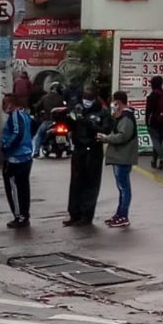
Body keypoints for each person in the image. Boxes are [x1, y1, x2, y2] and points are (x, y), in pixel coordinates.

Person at [64, 83, 111, 226]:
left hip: (93, 150)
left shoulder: (102, 112)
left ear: (95, 94)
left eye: (89, 91)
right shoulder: (78, 108)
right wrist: (69, 118)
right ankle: (74, 213)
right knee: (76, 182)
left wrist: (88, 123)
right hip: (79, 149)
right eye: (85, 91)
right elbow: (70, 126)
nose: (86, 94)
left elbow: (106, 130)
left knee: (91, 183)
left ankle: (86, 215)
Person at [97, 91, 138, 228]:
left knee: (124, 188)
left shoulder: (126, 118)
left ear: (119, 102)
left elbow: (122, 137)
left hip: (123, 157)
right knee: (122, 188)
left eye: (114, 102)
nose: (113, 105)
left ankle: (123, 216)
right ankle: (119, 214)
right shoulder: (121, 117)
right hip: (119, 157)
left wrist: (106, 138)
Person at [0, 93, 33, 229]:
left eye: (4, 104)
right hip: (25, 156)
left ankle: (20, 217)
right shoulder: (25, 115)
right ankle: (24, 215)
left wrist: (6, 146)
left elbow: (17, 133)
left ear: (10, 104)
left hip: (16, 158)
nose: (3, 107)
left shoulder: (15, 115)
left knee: (14, 189)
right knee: (23, 188)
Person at [145, 75, 163, 170]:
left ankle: (162, 159)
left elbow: (148, 111)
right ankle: (154, 160)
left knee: (155, 142)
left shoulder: (152, 96)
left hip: (154, 122)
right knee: (158, 142)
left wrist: (147, 123)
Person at [32, 82, 66, 157]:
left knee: (39, 134)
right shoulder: (62, 98)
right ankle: (68, 148)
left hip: (48, 120)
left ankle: (36, 152)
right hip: (61, 121)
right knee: (68, 131)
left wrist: (36, 111)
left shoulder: (45, 97)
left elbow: (37, 106)